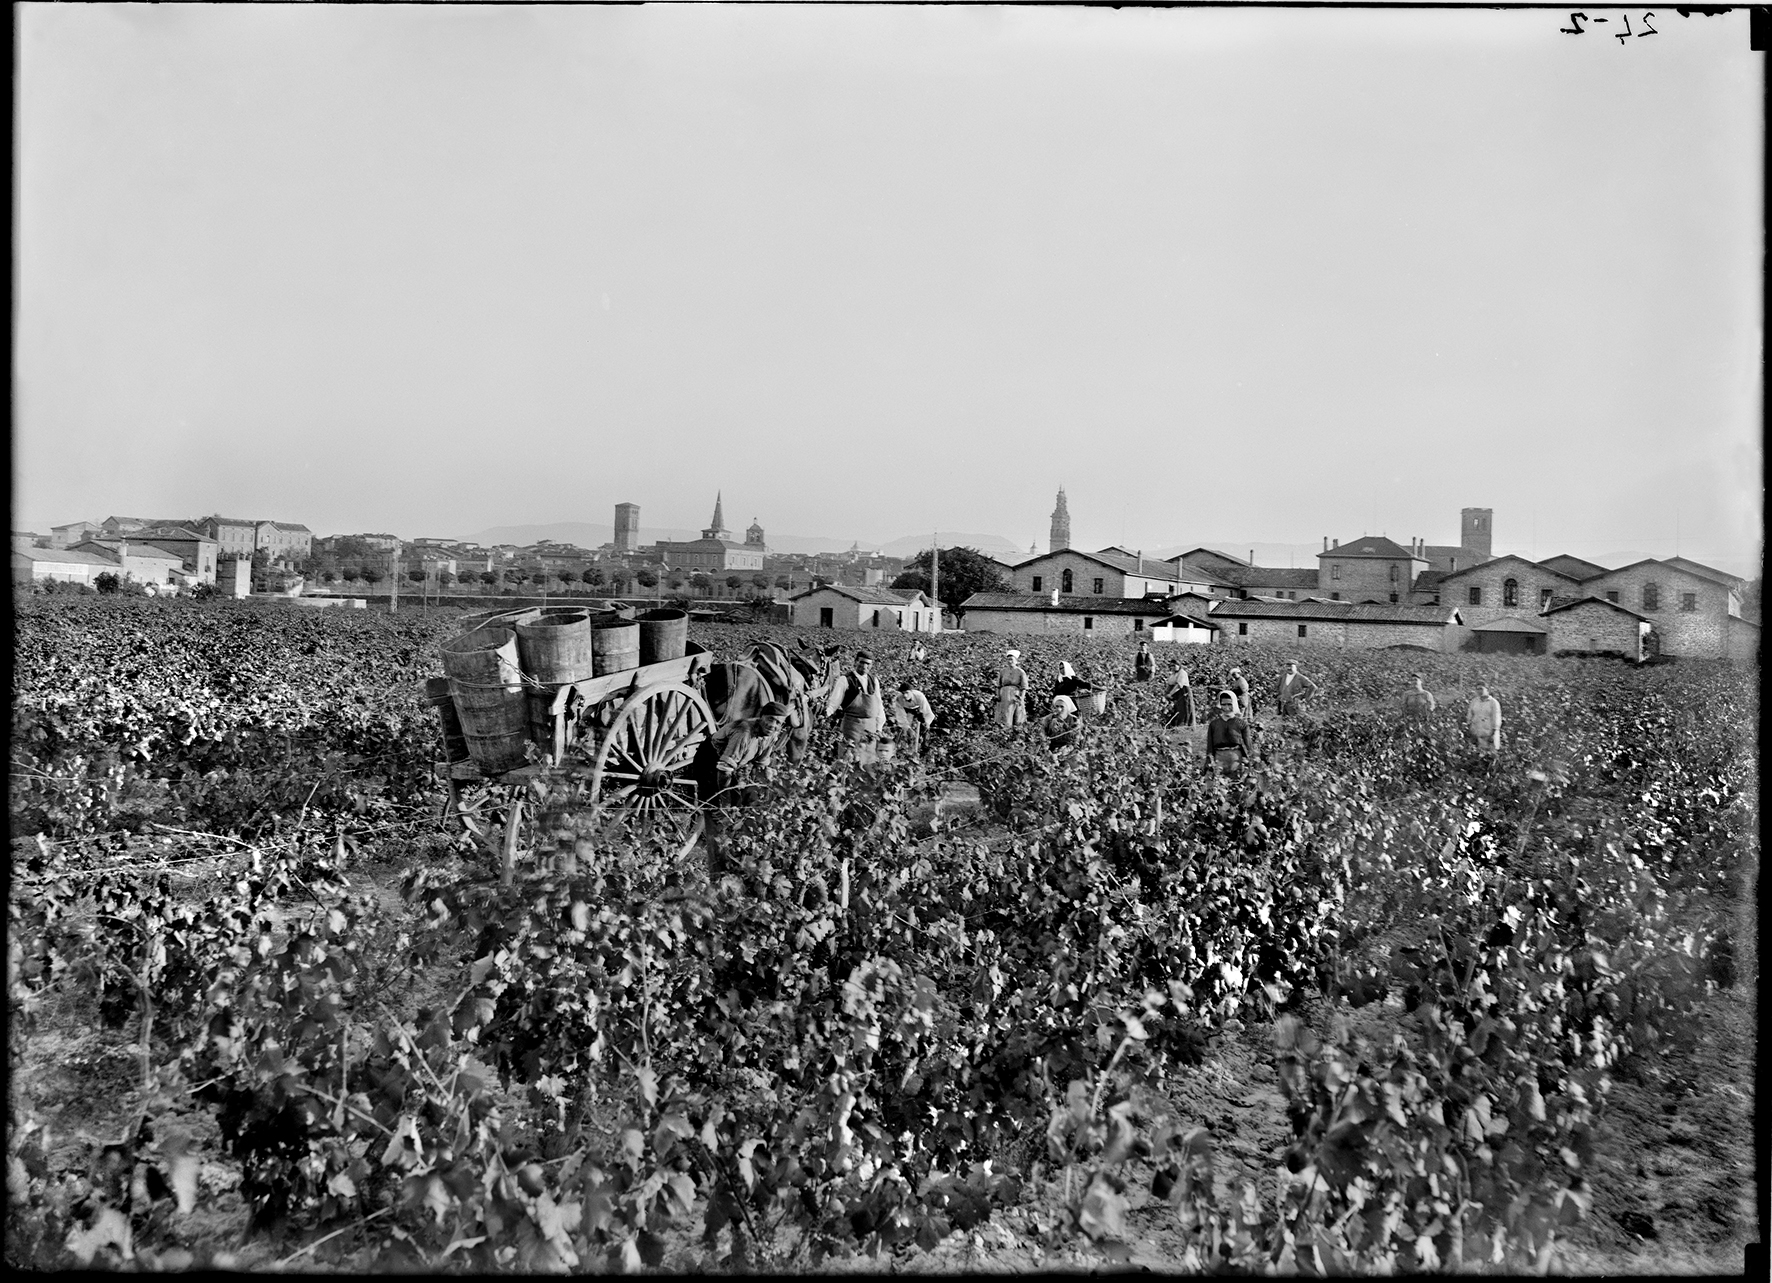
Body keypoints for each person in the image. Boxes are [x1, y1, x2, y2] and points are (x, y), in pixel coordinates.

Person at [696, 701, 788, 874]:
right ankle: (716, 869)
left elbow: (761, 765)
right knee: (717, 813)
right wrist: (725, 800)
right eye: (770, 719)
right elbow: (723, 770)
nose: (773, 725)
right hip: (709, 764)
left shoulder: (772, 735)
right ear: (761, 717)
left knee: (742, 811)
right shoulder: (744, 733)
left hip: (735, 767)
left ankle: (737, 860)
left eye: (778, 722)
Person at [826, 651, 888, 762]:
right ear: (855, 662)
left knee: (868, 760)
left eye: (868, 664)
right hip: (852, 727)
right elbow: (833, 703)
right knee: (849, 758)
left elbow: (879, 704)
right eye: (862, 662)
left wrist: (879, 727)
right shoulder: (845, 680)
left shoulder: (873, 680)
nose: (865, 666)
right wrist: (824, 714)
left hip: (870, 728)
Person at [1203, 690, 1254, 771]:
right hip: (1219, 759)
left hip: (1236, 759)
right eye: (1223, 704)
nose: (1226, 707)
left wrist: (1250, 761)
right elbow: (1210, 746)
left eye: (1229, 704)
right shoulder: (1213, 724)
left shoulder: (1242, 724)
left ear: (1234, 704)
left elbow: (1248, 745)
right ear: (1220, 705)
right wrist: (1208, 761)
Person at [890, 678, 935, 759]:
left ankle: (924, 751)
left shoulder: (919, 696)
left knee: (924, 729)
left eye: (907, 693)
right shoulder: (899, 699)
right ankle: (899, 751)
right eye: (903, 693)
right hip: (907, 711)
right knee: (903, 731)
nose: (905, 695)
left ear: (912, 691)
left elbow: (927, 711)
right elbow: (900, 715)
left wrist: (927, 722)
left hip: (919, 710)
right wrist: (907, 728)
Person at [995, 650, 1028, 731]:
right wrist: (998, 695)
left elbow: (1024, 687)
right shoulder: (1003, 671)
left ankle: (1018, 733)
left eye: (1011, 659)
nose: (1010, 662)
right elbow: (998, 685)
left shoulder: (1020, 672)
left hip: (1015, 694)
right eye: (1008, 659)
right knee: (1005, 715)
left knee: (1018, 715)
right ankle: (1005, 732)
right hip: (1004, 696)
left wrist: (1022, 698)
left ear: (1016, 661)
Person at [1465, 684, 1503, 757]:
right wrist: (1469, 726)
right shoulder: (1474, 701)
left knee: (1490, 755)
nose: (1479, 691)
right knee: (1477, 754)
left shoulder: (1493, 703)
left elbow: (1496, 717)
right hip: (1477, 731)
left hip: (1489, 733)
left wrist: (1493, 732)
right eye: (1478, 689)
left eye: (1481, 689)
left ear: (1487, 689)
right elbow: (1470, 714)